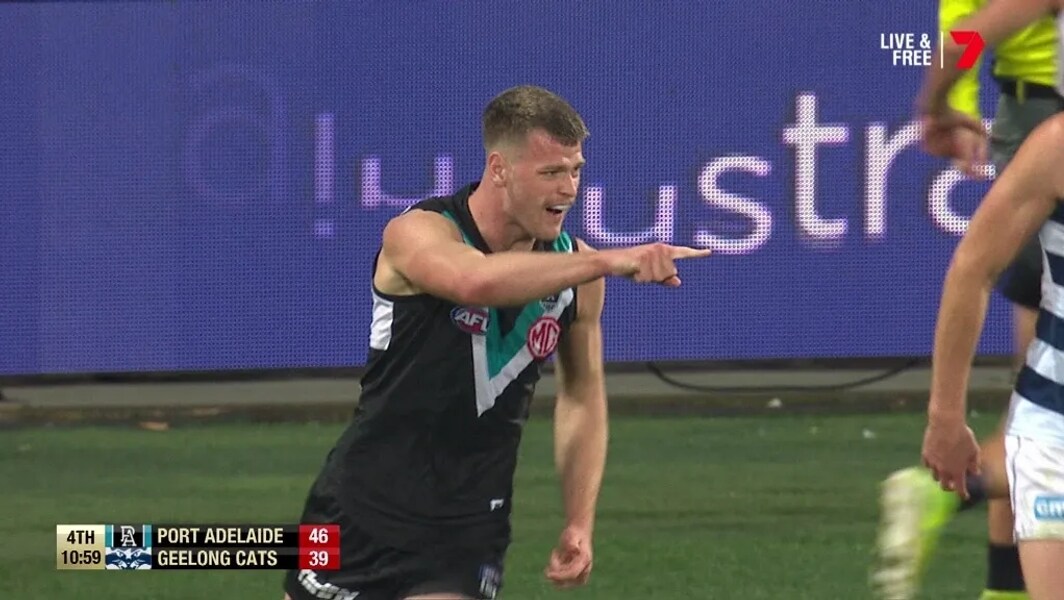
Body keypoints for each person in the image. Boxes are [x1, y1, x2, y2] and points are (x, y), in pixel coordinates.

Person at [282, 84, 711, 600]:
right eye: (550, 172)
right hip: (358, 508)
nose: (569, 189)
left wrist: (579, 521)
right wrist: (604, 260)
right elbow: (474, 282)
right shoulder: (417, 232)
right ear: (499, 169)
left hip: (468, 527)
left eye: (576, 170)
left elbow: (581, 396)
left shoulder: (577, 273)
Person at [873, 2, 1062, 598]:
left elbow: (964, 40)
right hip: (1042, 113)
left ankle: (996, 571)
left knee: (1039, 378)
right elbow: (968, 39)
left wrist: (938, 105)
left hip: (1027, 110)